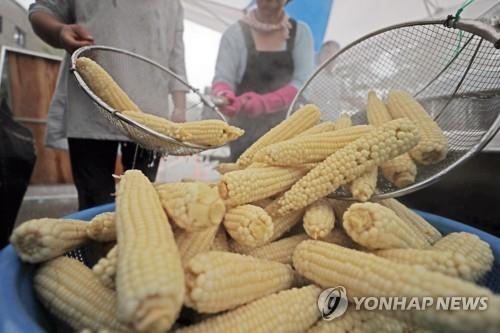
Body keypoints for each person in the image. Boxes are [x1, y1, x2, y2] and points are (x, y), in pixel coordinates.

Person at [29, 0, 187, 210]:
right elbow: (41, 11)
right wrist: (60, 32)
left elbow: (176, 56)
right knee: (95, 206)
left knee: (142, 206)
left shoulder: (173, 4)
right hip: (90, 106)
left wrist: (180, 108)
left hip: (149, 120)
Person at [212, 0, 314, 161]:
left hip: (287, 130)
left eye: (277, 0)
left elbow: (304, 82)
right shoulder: (235, 33)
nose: (271, 5)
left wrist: (267, 102)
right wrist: (224, 95)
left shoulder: (300, 33)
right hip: (243, 132)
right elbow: (223, 77)